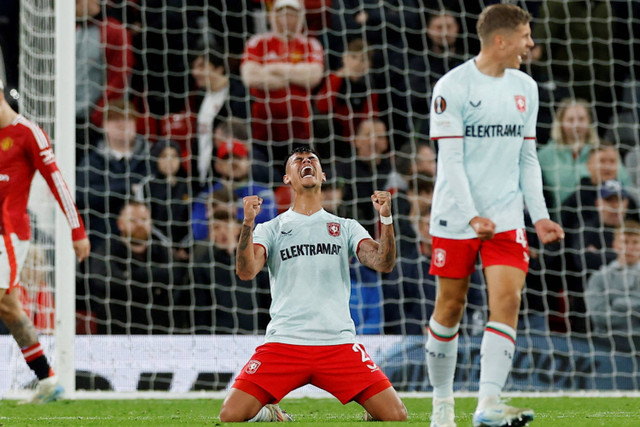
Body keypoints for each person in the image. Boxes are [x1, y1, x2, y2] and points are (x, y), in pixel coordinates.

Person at [426, 5, 564, 427]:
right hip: (456, 216)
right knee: (450, 308)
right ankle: (442, 405)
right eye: (525, 35)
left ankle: (487, 406)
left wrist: (538, 216)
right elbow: (449, 160)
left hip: (505, 217)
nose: (531, 43)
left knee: (508, 299)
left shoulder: (526, 86)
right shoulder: (452, 87)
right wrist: (471, 216)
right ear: (501, 40)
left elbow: (527, 157)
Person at [218, 146, 407, 422]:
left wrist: (386, 219)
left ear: (323, 176)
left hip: (337, 344)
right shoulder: (270, 228)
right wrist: (247, 223)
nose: (306, 162)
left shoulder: (345, 226)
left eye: (312, 160)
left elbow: (383, 263)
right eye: (298, 160)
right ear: (287, 179)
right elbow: (246, 271)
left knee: (396, 415)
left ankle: (370, 405)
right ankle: (270, 414)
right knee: (230, 415)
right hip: (285, 343)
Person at [0, 78, 91, 402]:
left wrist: (77, 230)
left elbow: (58, 183)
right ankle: (47, 380)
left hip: (8, 234)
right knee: (9, 308)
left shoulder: (28, 133)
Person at [241, 0, 324, 181]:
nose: (287, 20)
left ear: (300, 17)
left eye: (292, 14)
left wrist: (273, 68)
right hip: (262, 130)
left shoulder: (311, 44)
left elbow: (314, 76)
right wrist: (295, 73)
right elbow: (251, 77)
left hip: (300, 130)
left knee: (300, 182)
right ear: (273, 17)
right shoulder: (258, 42)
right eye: (282, 14)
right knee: (265, 180)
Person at [87, 201, 183, 334]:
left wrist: (129, 276)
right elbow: (105, 280)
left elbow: (174, 276)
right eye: (133, 220)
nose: (139, 224)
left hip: (158, 329)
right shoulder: (107, 249)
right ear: (120, 224)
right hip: (117, 329)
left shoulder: (162, 250)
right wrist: (152, 284)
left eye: (144, 220)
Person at [584, 220, 640, 346]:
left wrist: (617, 304)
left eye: (635, 242)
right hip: (606, 344)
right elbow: (599, 317)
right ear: (615, 245)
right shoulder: (599, 277)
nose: (630, 248)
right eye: (625, 242)